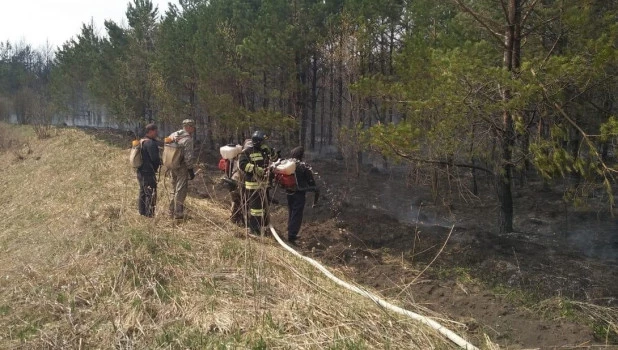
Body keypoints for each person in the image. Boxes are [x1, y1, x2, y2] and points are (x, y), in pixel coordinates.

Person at [238, 130, 277, 235]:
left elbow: (275, 159)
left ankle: (263, 227)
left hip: (264, 186)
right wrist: (255, 169)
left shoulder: (264, 151)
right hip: (253, 185)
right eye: (263, 142)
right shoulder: (247, 152)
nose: (265, 143)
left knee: (264, 207)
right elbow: (242, 164)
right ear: (258, 141)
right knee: (256, 209)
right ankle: (254, 229)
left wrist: (270, 151)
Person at [285, 146, 319, 244]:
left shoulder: (288, 165)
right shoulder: (303, 166)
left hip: (289, 192)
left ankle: (290, 230)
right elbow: (311, 182)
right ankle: (292, 235)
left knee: (292, 211)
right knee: (297, 214)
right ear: (301, 155)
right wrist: (314, 188)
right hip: (299, 193)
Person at [168, 119, 196, 219]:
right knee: (180, 190)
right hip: (182, 167)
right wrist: (191, 170)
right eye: (192, 126)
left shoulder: (172, 135)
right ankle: (178, 213)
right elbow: (188, 157)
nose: (193, 129)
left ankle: (171, 211)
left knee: (173, 189)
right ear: (188, 126)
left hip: (172, 165)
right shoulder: (187, 139)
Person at [137, 123, 161, 217]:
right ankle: (149, 215)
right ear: (151, 131)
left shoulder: (142, 141)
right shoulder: (150, 143)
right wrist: (156, 167)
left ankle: (142, 212)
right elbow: (155, 159)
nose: (157, 133)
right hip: (148, 172)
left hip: (140, 171)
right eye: (155, 131)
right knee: (151, 193)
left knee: (143, 192)